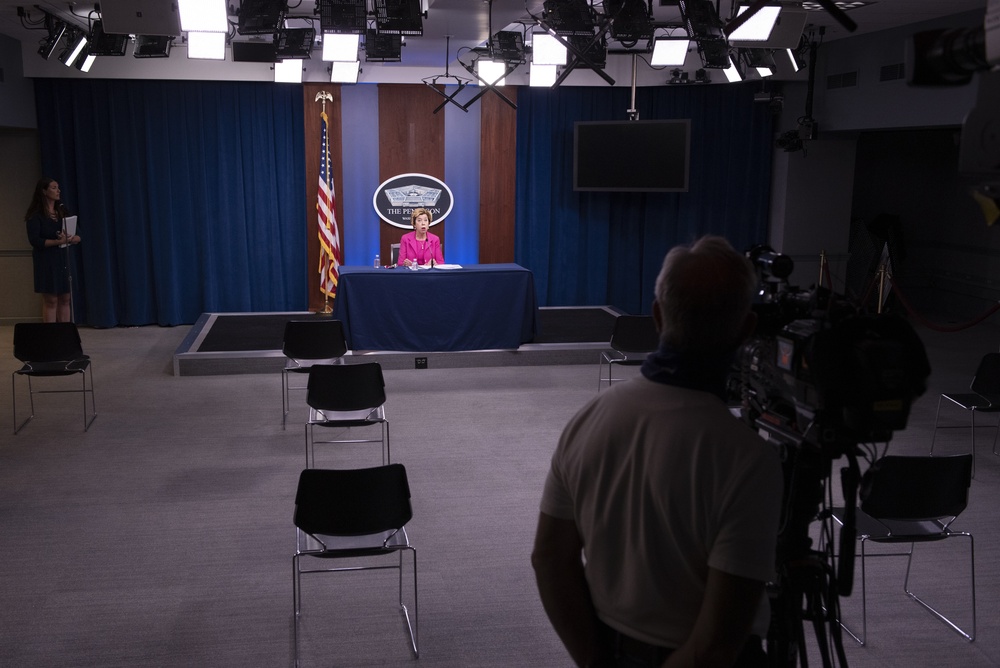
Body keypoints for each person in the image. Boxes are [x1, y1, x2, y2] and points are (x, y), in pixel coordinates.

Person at [531, 235, 784, 668]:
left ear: (656, 316)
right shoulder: (747, 457)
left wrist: (594, 660)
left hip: (608, 647)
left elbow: (549, 559)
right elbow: (715, 647)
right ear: (746, 329)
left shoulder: (589, 418)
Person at [24, 177, 81, 323]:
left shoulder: (62, 211)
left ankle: (64, 334)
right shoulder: (35, 215)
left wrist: (71, 238)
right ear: (44, 191)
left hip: (64, 259)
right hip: (47, 261)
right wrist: (57, 241)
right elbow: (35, 240)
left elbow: (79, 236)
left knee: (65, 299)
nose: (58, 190)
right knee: (51, 300)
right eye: (54, 187)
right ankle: (51, 336)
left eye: (58, 187)